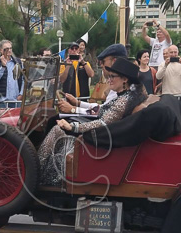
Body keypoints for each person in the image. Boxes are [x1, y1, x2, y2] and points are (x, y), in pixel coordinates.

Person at [38, 58, 147, 186]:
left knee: (57, 129)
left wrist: (73, 127)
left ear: (125, 80)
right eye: (109, 76)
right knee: (59, 128)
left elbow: (102, 123)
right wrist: (78, 104)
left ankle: (35, 171)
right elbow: (102, 110)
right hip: (104, 137)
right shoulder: (125, 96)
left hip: (102, 143)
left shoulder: (123, 101)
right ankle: (39, 172)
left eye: (113, 76)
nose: (108, 79)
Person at [156, 45, 181, 114]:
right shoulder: (162, 64)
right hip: (167, 96)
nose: (173, 54)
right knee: (168, 118)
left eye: (175, 52)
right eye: (171, 52)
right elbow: (158, 76)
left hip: (180, 95)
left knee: (179, 118)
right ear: (168, 53)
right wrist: (165, 66)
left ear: (178, 52)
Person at [0, 39, 23, 108]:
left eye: (10, 48)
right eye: (6, 49)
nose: (9, 50)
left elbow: (23, 79)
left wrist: (21, 94)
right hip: (1, 101)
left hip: (16, 100)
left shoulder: (18, 62)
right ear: (1, 50)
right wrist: (3, 66)